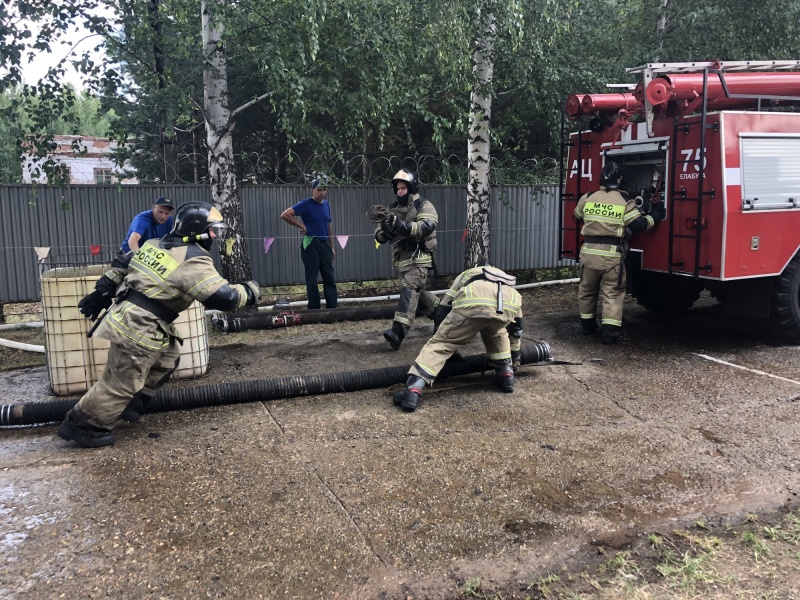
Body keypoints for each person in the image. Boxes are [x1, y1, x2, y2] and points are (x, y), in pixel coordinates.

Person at [58, 201, 262, 448]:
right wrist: (250, 290)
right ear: (195, 230)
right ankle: (83, 424)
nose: (214, 237)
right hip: (139, 326)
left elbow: (123, 263)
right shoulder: (193, 259)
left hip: (134, 319)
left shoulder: (155, 244)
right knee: (121, 382)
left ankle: (132, 401)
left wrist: (101, 291)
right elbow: (224, 298)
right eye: (212, 231)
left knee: (168, 355)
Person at [392, 265, 524, 412]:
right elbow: (516, 329)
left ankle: (412, 391)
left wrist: (442, 337)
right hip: (508, 306)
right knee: (497, 333)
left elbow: (444, 307)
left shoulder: (466, 274)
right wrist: (515, 360)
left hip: (472, 304)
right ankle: (506, 376)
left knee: (441, 343)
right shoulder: (502, 277)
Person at [574, 161, 664, 345]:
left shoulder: (588, 197)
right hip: (611, 257)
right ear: (621, 181)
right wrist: (655, 214)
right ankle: (609, 334)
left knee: (586, 290)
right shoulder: (625, 202)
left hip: (588, 255)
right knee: (612, 294)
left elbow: (576, 215)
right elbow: (639, 225)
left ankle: (587, 326)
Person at [374, 169, 439, 350]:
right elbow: (378, 235)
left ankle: (398, 332)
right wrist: (385, 232)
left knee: (410, 289)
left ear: (411, 188)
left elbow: (426, 227)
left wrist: (400, 225)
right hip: (402, 261)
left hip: (420, 259)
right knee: (419, 295)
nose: (400, 191)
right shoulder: (392, 209)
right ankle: (444, 315)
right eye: (398, 188)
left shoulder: (424, 205)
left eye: (403, 188)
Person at [280, 179, 337, 309]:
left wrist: (332, 246)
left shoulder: (326, 204)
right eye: (319, 190)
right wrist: (302, 225)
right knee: (312, 278)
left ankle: (332, 307)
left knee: (329, 275)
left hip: (324, 245)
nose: (322, 193)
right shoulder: (306, 204)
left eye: (324, 190)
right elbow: (285, 215)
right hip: (311, 244)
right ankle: (314, 308)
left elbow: (328, 226)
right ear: (312, 190)